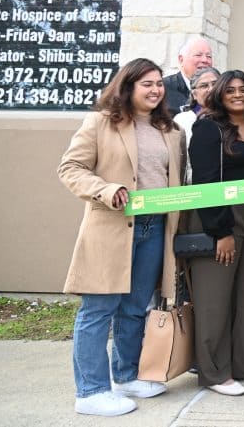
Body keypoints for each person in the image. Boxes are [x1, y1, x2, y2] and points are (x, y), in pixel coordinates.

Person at [58, 58, 186, 417]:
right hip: (112, 226)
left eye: (159, 83)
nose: (155, 89)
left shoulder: (171, 130)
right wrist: (105, 189)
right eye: (147, 83)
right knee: (98, 310)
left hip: (154, 227)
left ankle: (127, 375)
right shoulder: (100, 123)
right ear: (127, 86)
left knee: (134, 309)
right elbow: (70, 168)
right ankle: (91, 391)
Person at [186, 70, 244, 396]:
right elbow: (205, 181)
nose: (237, 95)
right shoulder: (209, 128)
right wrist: (220, 230)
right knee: (215, 301)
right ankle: (214, 373)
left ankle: (243, 364)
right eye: (230, 90)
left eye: (243, 90)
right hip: (219, 222)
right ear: (220, 95)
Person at [163, 37, 213, 114]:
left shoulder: (217, 89)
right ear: (181, 59)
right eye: (198, 55)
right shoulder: (164, 88)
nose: (205, 60)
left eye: (209, 56)